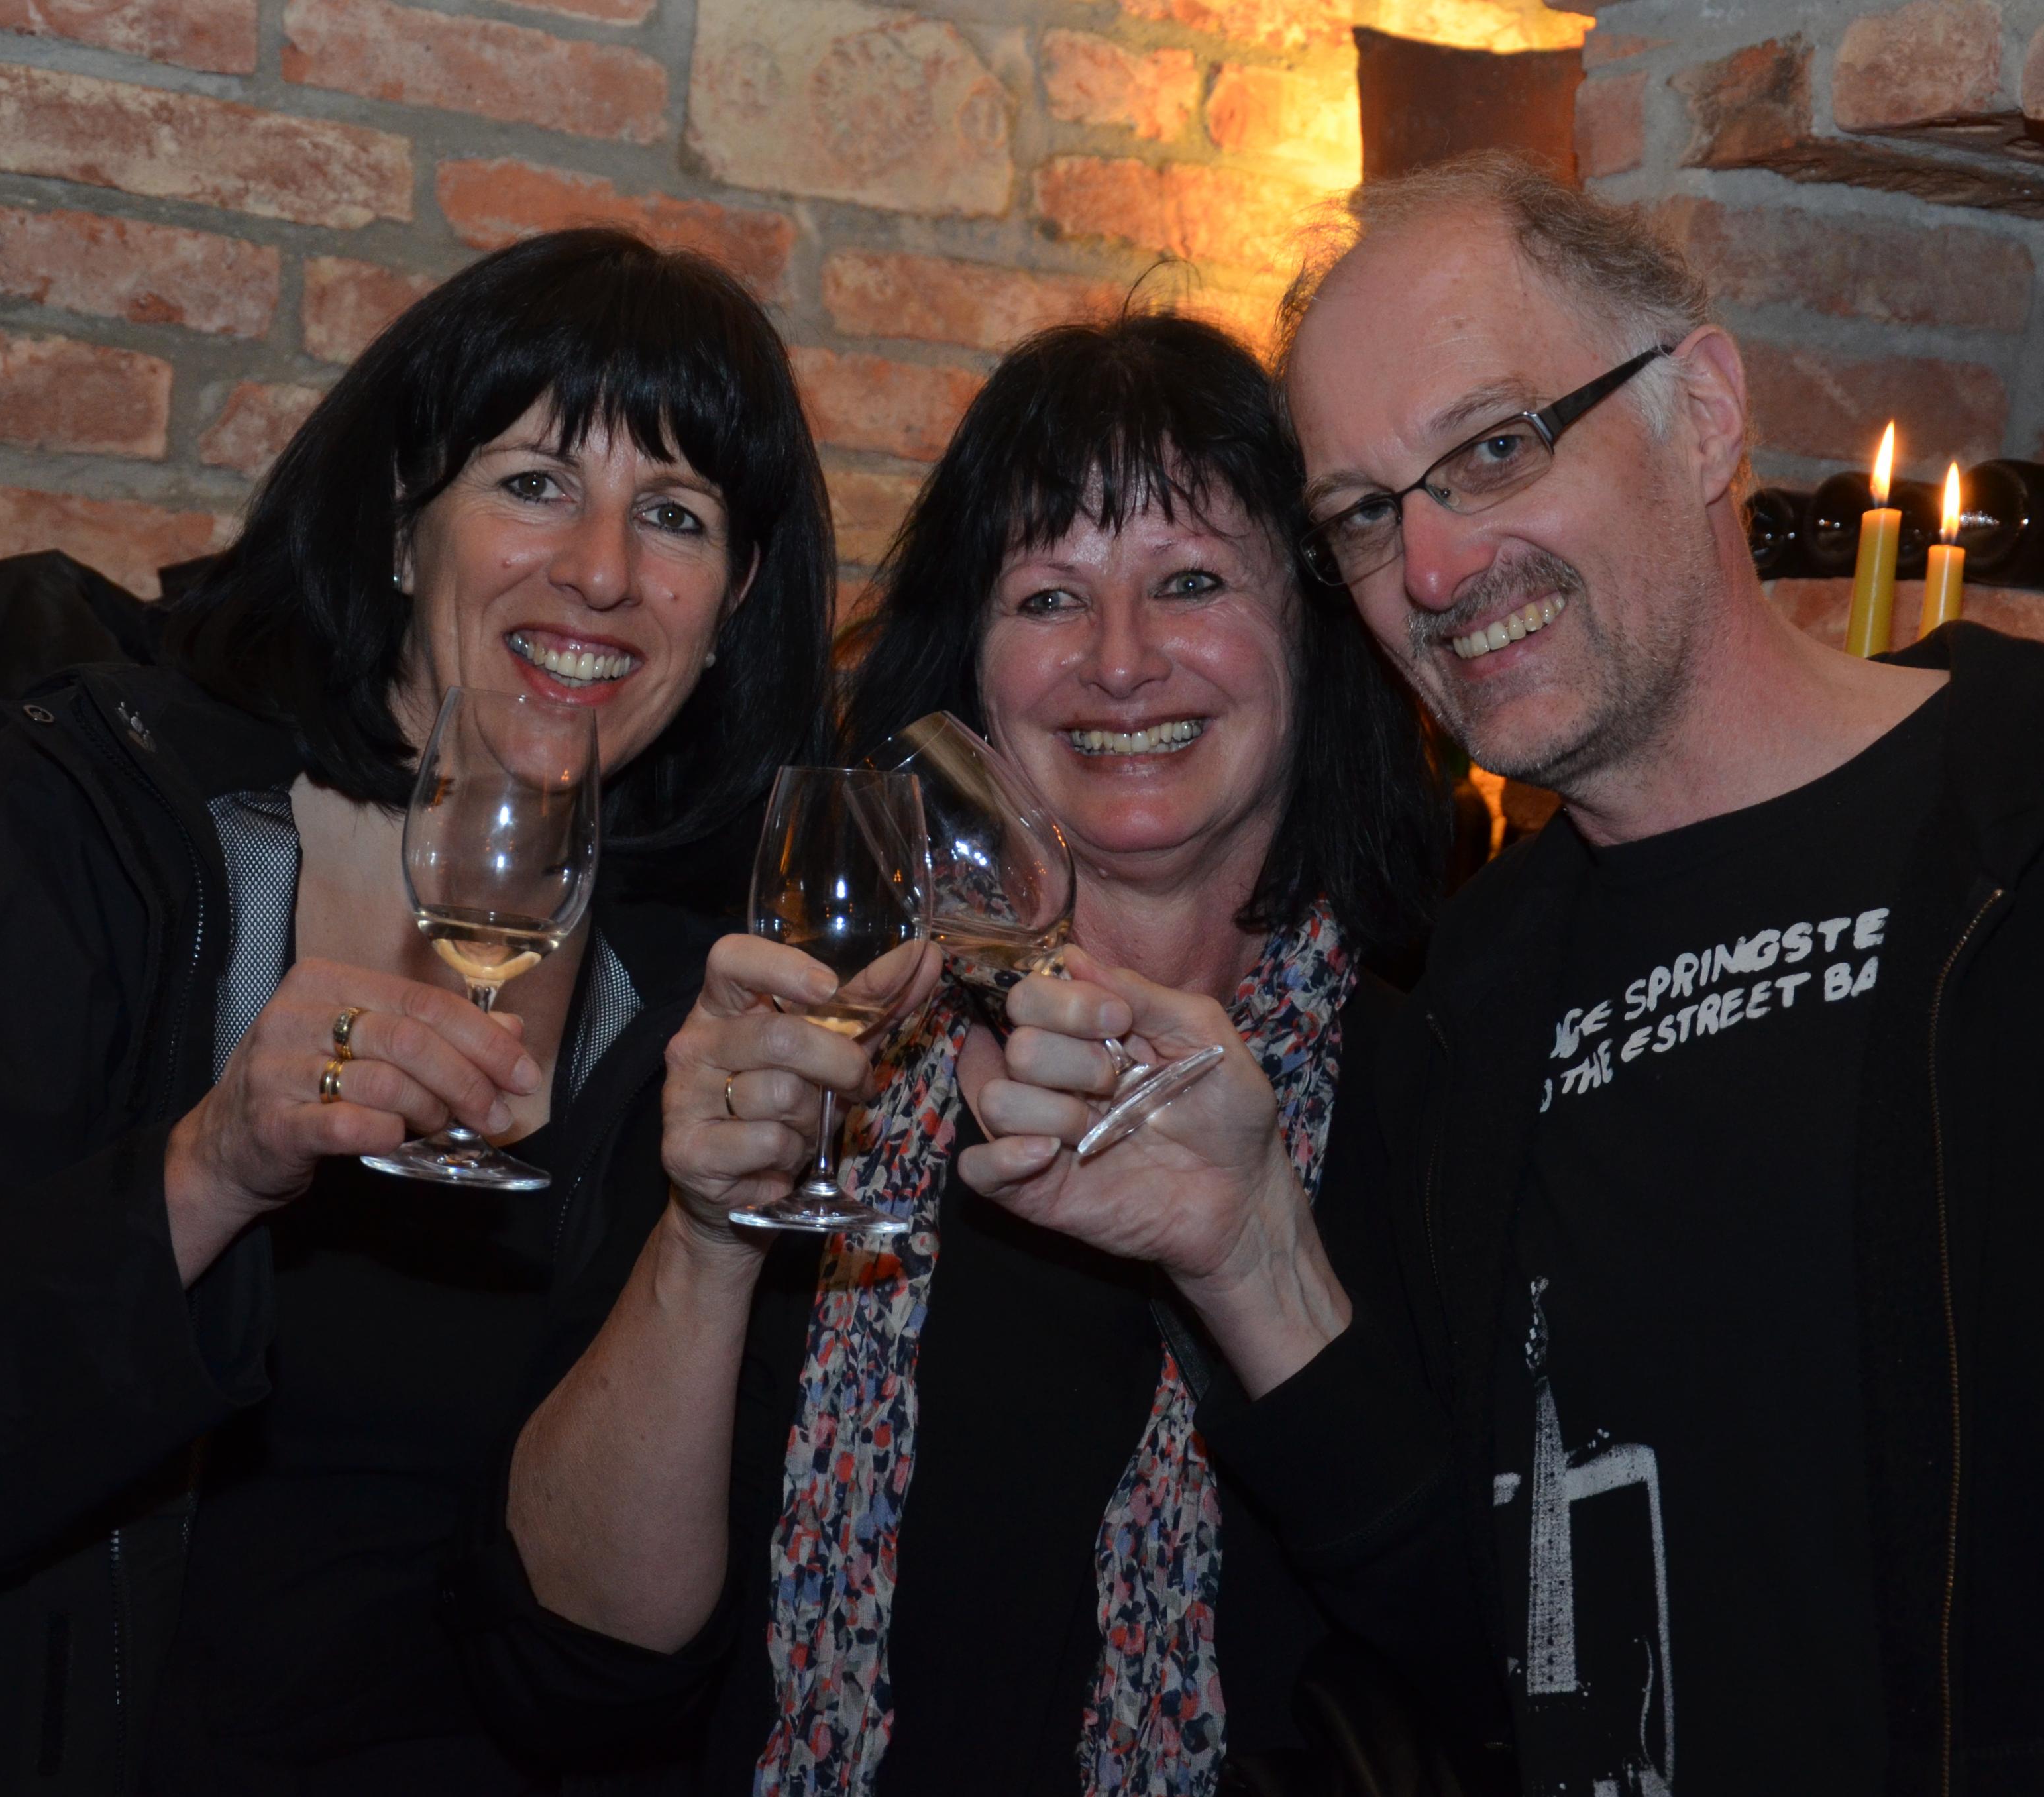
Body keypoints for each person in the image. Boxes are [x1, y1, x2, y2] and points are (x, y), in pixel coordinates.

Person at [966, 152, 2044, 1792]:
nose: (1429, 568)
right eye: (1364, 514)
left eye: (1493, 449)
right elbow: (1487, 1658)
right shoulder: (1477, 1001)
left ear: (1702, 412)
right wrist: (1248, 1253)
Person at [0, 228, 835, 1795]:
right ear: (401, 524)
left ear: (733, 598)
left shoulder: (689, 987)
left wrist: (712, 1238)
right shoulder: (102, 819)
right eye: (532, 483)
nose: (601, 569)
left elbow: (608, 1683)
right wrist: (211, 1166)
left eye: (675, 515)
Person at [449, 313, 1454, 1793]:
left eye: (1189, 582)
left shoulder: (1447, 1092)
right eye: (1048, 597)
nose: (1121, 661)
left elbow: (1507, 1664)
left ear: (1316, 636)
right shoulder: (788, 1051)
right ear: (967, 675)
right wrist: (708, 1239)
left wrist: (1257, 1265)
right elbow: (568, 1673)